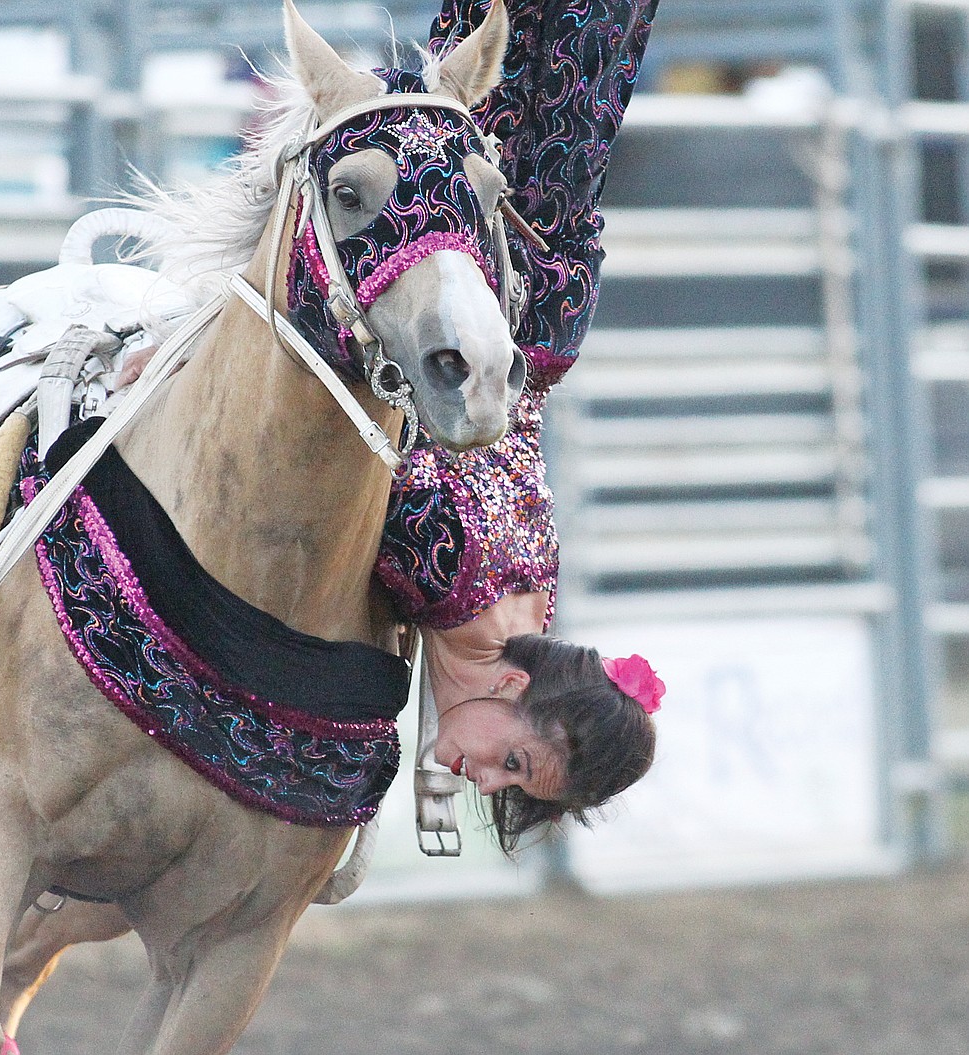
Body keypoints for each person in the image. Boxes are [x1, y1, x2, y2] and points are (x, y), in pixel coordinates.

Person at [374, 0, 665, 850]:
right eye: (513, 764)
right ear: (509, 691)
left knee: (534, 31)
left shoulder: (529, 620)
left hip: (532, 308)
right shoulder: (445, 581)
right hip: (488, 272)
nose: (482, 778)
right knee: (513, 39)